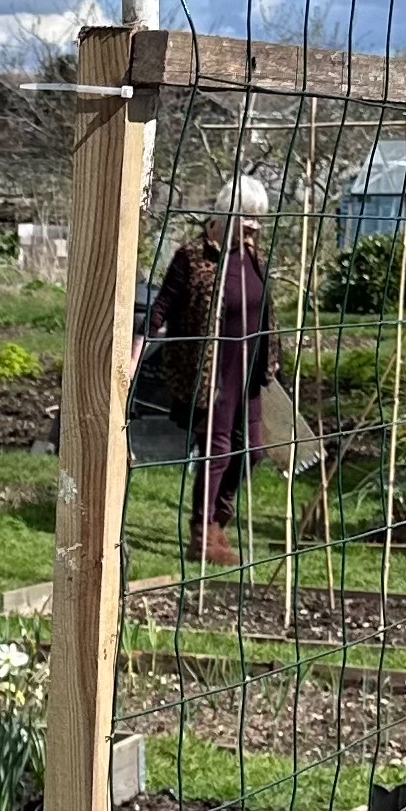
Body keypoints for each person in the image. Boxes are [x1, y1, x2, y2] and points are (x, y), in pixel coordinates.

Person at [144, 177, 276, 558]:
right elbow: (163, 306)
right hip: (212, 371)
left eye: (258, 220)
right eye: (248, 218)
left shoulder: (254, 258)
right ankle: (202, 534)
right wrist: (138, 347)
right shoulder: (193, 257)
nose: (254, 227)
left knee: (251, 450)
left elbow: (266, 311)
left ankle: (220, 517)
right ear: (224, 214)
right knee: (216, 450)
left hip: (248, 369)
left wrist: (273, 357)